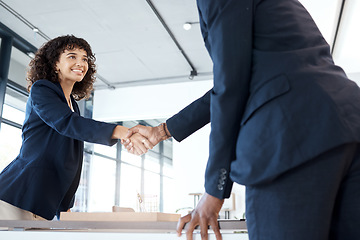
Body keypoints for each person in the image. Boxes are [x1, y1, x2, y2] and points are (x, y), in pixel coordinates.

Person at [125, 0, 360, 239]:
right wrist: (163, 131)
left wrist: (214, 189)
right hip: (349, 124)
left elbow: (231, 85)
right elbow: (244, 80)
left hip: (292, 137)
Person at [0, 35, 152, 221]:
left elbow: (70, 158)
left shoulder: (72, 104)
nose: (80, 62)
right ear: (55, 63)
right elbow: (67, 123)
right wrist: (123, 132)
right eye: (72, 56)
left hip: (43, 202)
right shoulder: (42, 90)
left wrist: (65, 206)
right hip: (16, 196)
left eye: (84, 58)